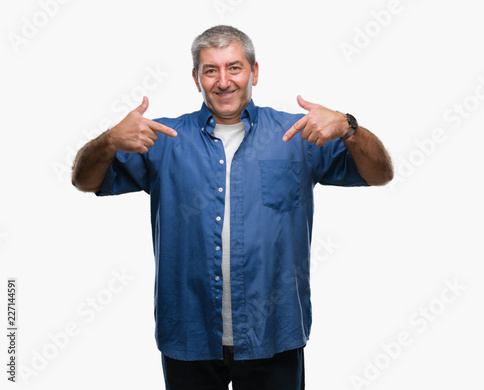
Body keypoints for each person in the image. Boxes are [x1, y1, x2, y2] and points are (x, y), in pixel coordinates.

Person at [72, 25, 393, 390]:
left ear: (254, 72)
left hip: (274, 334)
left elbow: (380, 174)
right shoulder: (162, 139)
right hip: (189, 336)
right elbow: (85, 181)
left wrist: (350, 128)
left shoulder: (301, 134)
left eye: (234, 68)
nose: (223, 81)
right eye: (211, 70)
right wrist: (110, 139)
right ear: (196, 79)